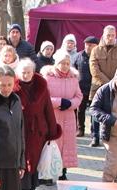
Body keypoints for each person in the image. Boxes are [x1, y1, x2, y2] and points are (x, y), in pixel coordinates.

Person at [14, 59, 61, 190]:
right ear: (18, 73)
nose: (26, 75)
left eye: (28, 72)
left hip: (38, 129)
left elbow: (48, 109)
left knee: (35, 158)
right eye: (23, 72)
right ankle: (22, 188)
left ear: (33, 72)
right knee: (22, 157)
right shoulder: (14, 87)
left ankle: (32, 188)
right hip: (20, 128)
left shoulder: (41, 87)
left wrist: (52, 131)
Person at [41, 51, 83, 181]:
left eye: (67, 63)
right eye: (62, 63)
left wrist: (70, 103)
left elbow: (79, 96)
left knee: (67, 145)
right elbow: (44, 97)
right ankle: (47, 173)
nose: (65, 66)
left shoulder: (73, 78)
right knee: (52, 143)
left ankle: (62, 172)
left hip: (69, 116)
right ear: (56, 63)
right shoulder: (48, 77)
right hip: (53, 115)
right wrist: (59, 102)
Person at [89, 25, 117, 147]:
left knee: (111, 111)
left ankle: (108, 136)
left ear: (116, 36)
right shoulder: (95, 50)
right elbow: (94, 69)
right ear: (103, 35)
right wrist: (108, 83)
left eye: (112, 35)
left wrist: (114, 82)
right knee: (96, 112)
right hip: (98, 86)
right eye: (108, 35)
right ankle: (95, 137)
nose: (110, 38)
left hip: (115, 87)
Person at [72, 36, 97, 138]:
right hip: (81, 88)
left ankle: (93, 131)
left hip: (94, 88)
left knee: (94, 110)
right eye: (87, 44)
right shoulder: (78, 56)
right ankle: (80, 129)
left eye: (91, 45)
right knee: (80, 110)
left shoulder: (98, 57)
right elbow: (73, 70)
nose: (88, 47)